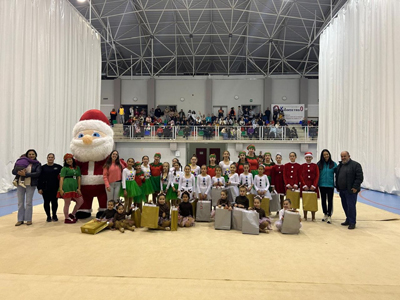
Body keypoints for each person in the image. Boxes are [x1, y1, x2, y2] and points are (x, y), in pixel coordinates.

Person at [12, 149, 42, 226]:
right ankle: (20, 219)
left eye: (33, 154)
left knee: (28, 202)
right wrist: (19, 172)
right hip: (20, 184)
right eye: (29, 154)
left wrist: (26, 175)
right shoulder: (21, 161)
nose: (31, 156)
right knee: (20, 202)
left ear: (35, 155)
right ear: (26, 155)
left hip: (30, 184)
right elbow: (13, 171)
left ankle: (28, 219)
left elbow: (37, 173)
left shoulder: (37, 164)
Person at [336, 151, 363, 230]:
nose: (343, 158)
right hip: (342, 190)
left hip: (351, 190)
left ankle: (352, 222)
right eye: (342, 156)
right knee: (345, 206)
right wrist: (337, 186)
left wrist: (355, 187)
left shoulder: (356, 165)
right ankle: (348, 219)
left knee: (351, 206)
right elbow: (337, 176)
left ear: (349, 156)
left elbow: (359, 177)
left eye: (345, 156)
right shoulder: (340, 166)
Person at [57, 153, 84, 224]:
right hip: (66, 186)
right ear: (65, 161)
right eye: (67, 160)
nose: (69, 161)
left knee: (80, 201)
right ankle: (66, 218)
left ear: (73, 159)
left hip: (74, 187)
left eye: (70, 159)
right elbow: (61, 179)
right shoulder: (64, 169)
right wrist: (61, 189)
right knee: (67, 203)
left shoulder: (77, 168)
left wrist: (79, 188)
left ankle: (72, 214)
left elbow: (79, 178)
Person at [38, 153, 62, 222]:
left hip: (55, 188)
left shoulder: (58, 167)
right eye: (49, 157)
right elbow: (39, 179)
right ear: (47, 158)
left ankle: (54, 215)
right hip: (45, 188)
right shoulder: (43, 168)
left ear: (54, 158)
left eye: (52, 157)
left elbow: (62, 177)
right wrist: (39, 188)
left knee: (54, 202)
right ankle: (48, 216)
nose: (50, 158)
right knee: (46, 202)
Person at [317, 149, 337, 223]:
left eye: (327, 154)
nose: (326, 156)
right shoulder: (319, 164)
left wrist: (336, 184)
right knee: (323, 200)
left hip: (330, 185)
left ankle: (329, 215)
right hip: (322, 185)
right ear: (322, 156)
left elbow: (337, 174)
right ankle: (325, 213)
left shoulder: (333, 164)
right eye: (324, 155)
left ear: (329, 155)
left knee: (330, 200)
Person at [300, 152, 320, 222]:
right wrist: (304, 185)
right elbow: (300, 176)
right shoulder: (302, 166)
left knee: (312, 201)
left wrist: (314, 185)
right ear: (305, 158)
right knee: (305, 201)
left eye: (309, 157)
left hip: (313, 186)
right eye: (307, 157)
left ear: (312, 158)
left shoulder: (315, 166)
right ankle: (305, 216)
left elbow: (317, 175)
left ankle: (313, 216)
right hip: (305, 186)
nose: (308, 159)